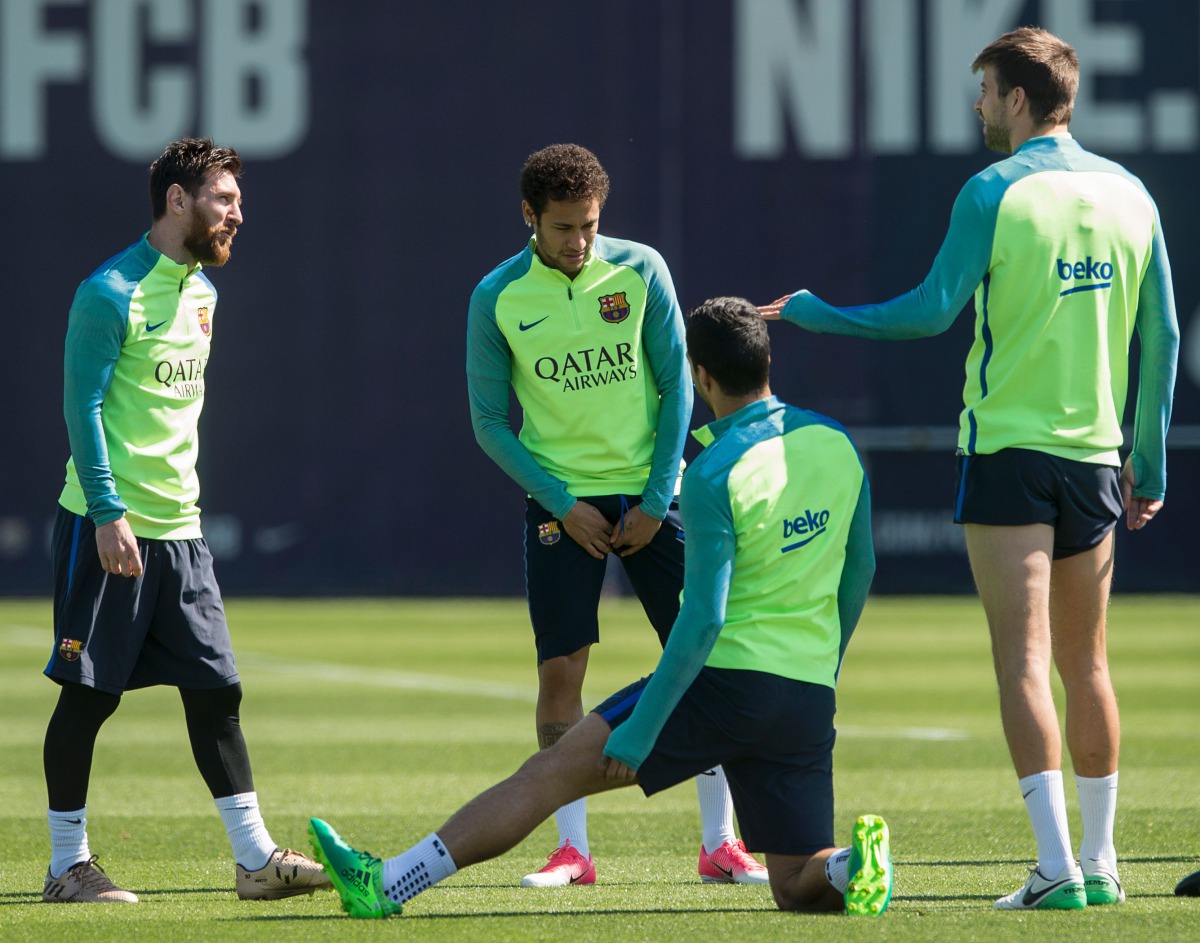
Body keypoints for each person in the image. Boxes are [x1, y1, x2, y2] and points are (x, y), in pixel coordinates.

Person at [760, 27, 1178, 911]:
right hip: (1097, 459)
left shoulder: (992, 190)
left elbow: (927, 313)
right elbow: (1163, 337)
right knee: (1087, 663)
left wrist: (814, 313)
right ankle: (1101, 865)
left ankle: (1056, 868)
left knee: (1022, 660)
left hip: (1008, 456)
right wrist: (1148, 463)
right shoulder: (1133, 193)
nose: (978, 105)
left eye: (985, 90)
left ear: (1018, 98)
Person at [309, 296, 888, 918]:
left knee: (547, 775)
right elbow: (861, 571)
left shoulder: (713, 472)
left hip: (722, 684)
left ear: (700, 376)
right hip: (806, 694)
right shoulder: (837, 443)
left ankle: (387, 883)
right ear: (769, 359)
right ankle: (849, 864)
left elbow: (704, 620)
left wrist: (642, 730)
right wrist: (825, 669)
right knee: (796, 883)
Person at [466, 144, 766, 886]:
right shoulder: (496, 295)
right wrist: (564, 505)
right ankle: (572, 849)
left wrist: (657, 498)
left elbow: (678, 388)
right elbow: (488, 423)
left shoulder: (640, 270)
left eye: (591, 226)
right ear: (529, 217)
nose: (580, 242)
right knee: (561, 670)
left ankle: (720, 842)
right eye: (564, 227)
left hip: (653, 496)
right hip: (562, 504)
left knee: (706, 658)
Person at [42, 137, 330, 904]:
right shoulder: (108, 292)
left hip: (182, 530)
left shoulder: (202, 291)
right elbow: (84, 408)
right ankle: (66, 864)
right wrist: (108, 511)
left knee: (216, 691)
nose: (238, 212)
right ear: (178, 200)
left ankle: (254, 859)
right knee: (88, 694)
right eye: (225, 199)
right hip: (109, 525)